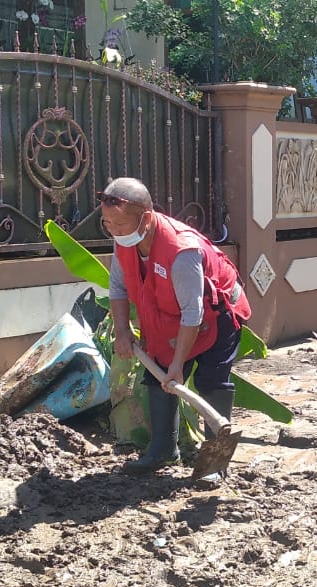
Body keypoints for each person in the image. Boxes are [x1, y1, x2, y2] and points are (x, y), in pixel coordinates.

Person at [101, 177, 251, 478]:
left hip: (216, 315)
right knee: (157, 376)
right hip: (168, 318)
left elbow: (193, 313)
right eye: (107, 224)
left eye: (120, 225)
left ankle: (214, 463)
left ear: (146, 218)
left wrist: (178, 365)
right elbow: (117, 288)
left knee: (211, 381)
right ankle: (162, 450)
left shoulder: (181, 252)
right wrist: (122, 331)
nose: (115, 232)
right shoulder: (124, 244)